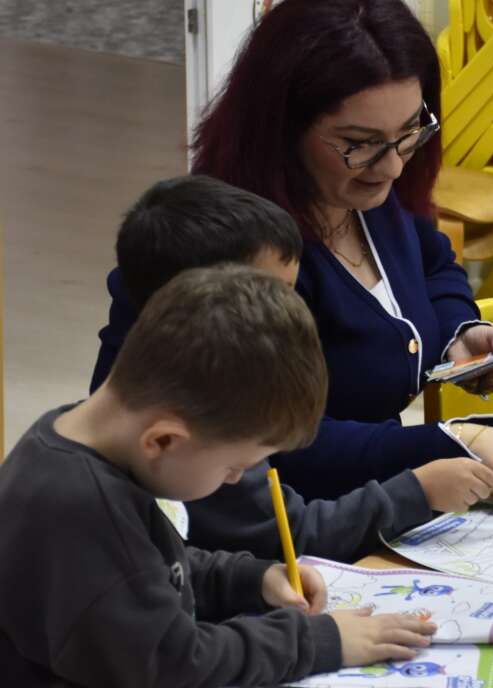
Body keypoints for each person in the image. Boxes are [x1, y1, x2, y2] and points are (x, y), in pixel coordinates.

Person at [91, 0, 493, 511]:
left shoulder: (363, 193)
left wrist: (457, 332)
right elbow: (269, 442)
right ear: (282, 126)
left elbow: (432, 261)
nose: (393, 165)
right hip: (276, 525)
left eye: (410, 131)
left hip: (359, 506)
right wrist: (453, 442)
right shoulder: (230, 250)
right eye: (359, 143)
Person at [0, 266, 438, 686]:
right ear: (164, 440)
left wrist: (249, 579)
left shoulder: (79, 437)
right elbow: (173, 665)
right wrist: (318, 640)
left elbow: (150, 568)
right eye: (234, 467)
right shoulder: (80, 511)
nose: (235, 480)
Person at [92, 175, 493, 562]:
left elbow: (194, 568)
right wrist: (418, 490)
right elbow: (281, 536)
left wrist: (254, 583)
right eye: (272, 297)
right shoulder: (200, 424)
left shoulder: (194, 402)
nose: (288, 314)